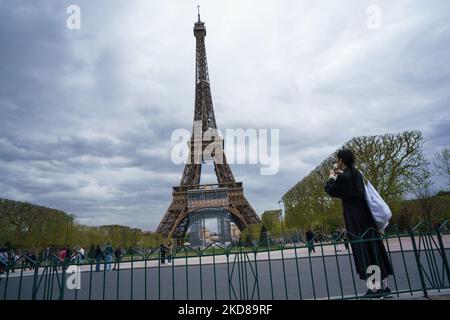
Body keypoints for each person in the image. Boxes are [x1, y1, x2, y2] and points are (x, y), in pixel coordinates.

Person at [325, 149, 393, 297]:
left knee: (364, 252)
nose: (337, 162)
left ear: (341, 160)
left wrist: (331, 177)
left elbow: (330, 190)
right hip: (367, 216)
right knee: (375, 249)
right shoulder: (357, 174)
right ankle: (385, 286)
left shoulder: (344, 178)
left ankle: (374, 289)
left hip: (355, 219)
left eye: (338, 159)